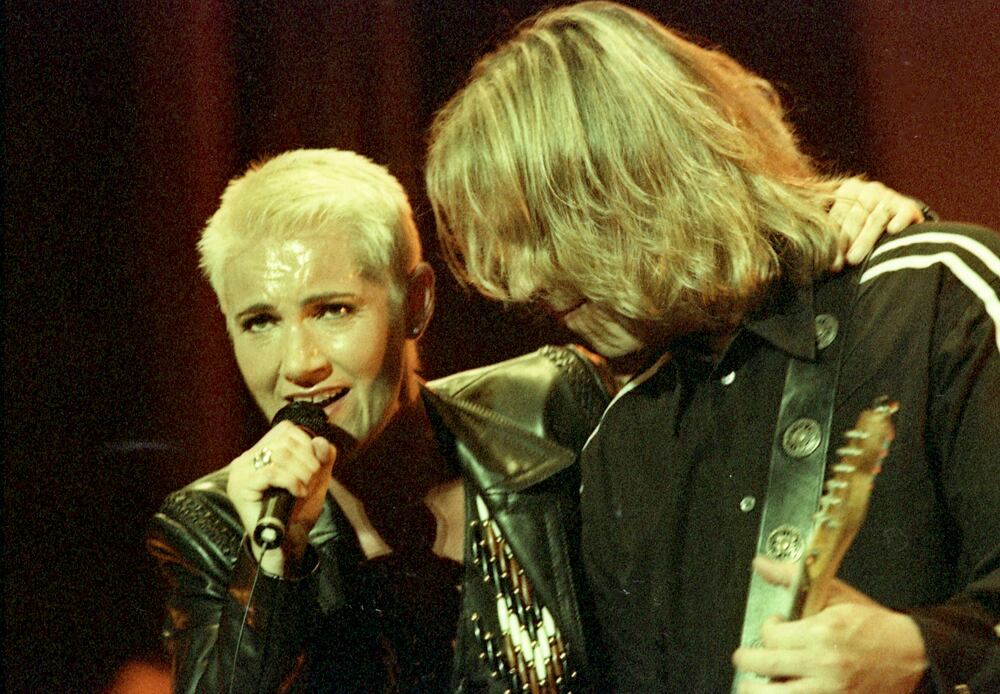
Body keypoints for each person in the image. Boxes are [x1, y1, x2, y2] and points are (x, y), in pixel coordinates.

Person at [147, 146, 919, 693]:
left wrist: (832, 230)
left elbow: (719, 374)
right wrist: (273, 565)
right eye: (259, 322)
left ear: (417, 304)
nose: (298, 362)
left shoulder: (552, 405)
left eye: (332, 310)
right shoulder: (212, 528)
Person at [424, 2, 1000, 693]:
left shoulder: (936, 296)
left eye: (537, 232)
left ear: (638, 178)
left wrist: (921, 653)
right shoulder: (624, 440)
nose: (520, 285)